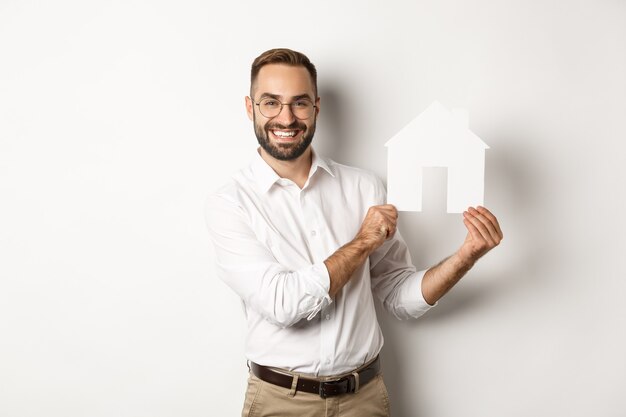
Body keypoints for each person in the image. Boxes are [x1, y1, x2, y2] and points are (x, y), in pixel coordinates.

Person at [205, 48, 503, 417]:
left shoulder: (364, 188)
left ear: (316, 107)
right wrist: (363, 242)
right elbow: (283, 304)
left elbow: (399, 297)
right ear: (251, 108)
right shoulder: (231, 203)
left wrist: (465, 256)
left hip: (364, 399)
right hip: (281, 402)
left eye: (299, 103)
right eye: (271, 103)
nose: (286, 117)